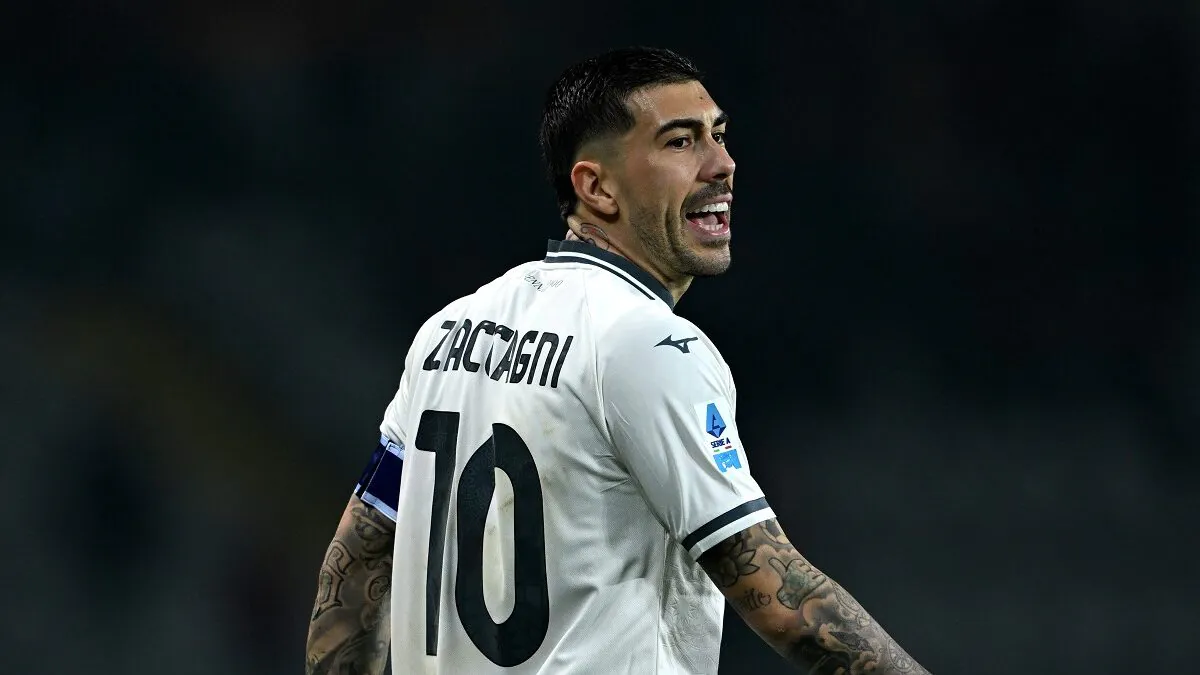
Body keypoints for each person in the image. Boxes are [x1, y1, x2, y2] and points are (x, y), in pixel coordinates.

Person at [305, 46, 932, 674]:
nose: (723, 164)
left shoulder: (448, 332)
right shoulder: (647, 345)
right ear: (596, 187)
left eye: (718, 135)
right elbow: (783, 599)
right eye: (680, 142)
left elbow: (357, 563)